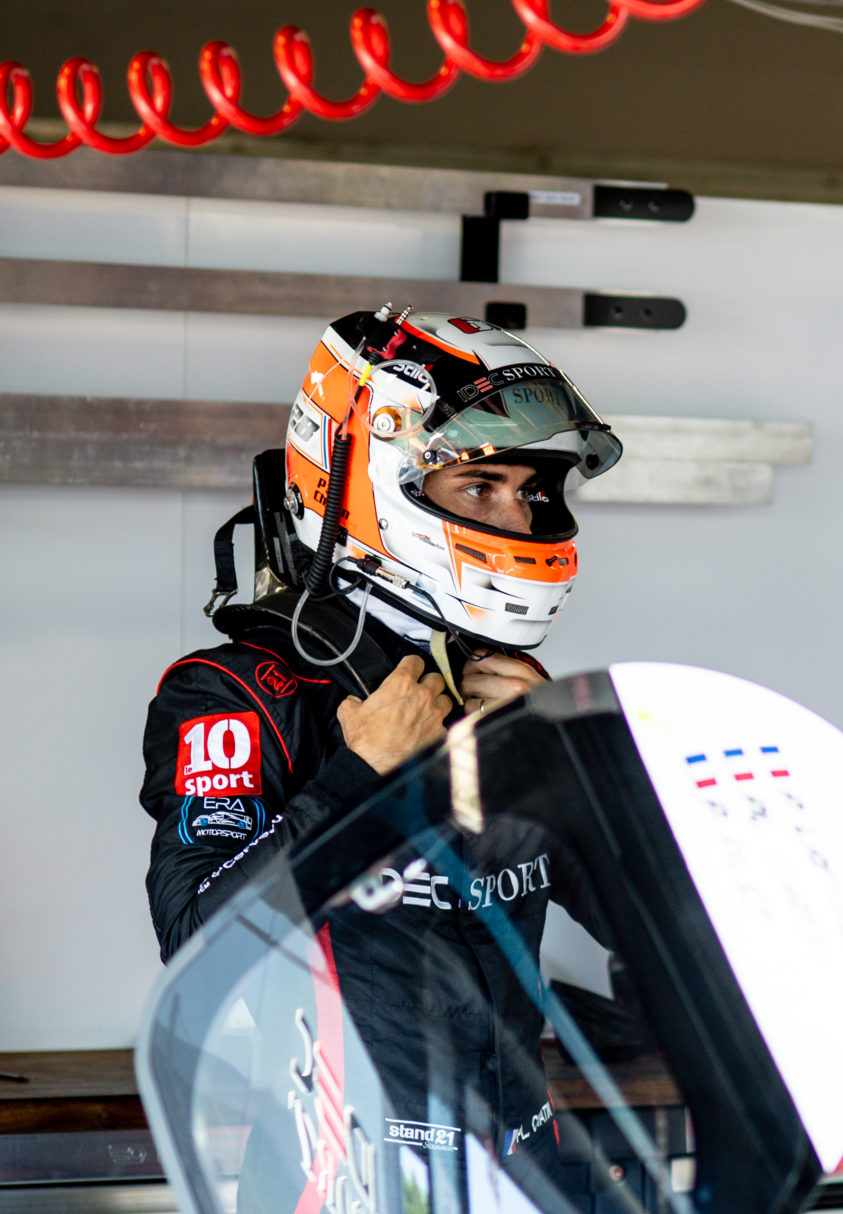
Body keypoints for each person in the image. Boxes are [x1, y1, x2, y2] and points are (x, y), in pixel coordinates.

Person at [139, 305, 623, 963]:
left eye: (530, 490)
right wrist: (358, 775)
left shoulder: (499, 687)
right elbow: (198, 946)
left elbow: (655, 931)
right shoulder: (237, 694)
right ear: (371, 487)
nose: (518, 520)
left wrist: (560, 779)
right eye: (480, 486)